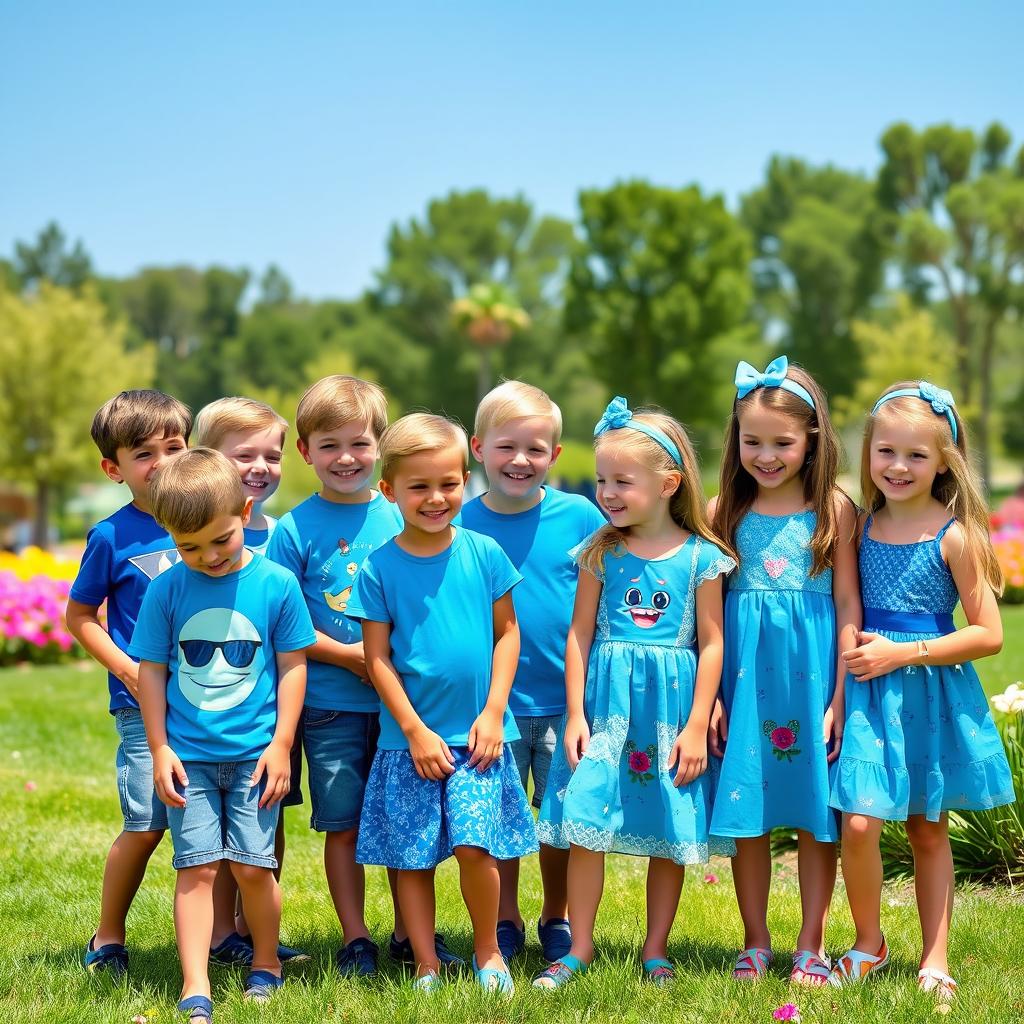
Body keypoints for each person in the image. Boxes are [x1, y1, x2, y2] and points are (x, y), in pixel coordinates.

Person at [534, 398, 735, 990]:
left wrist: (698, 724)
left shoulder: (701, 557)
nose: (608, 492)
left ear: (669, 483)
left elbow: (712, 644)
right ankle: (581, 946)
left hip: (669, 716)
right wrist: (575, 714)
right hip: (606, 714)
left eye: (623, 481)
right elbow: (579, 633)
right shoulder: (603, 551)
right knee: (587, 821)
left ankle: (655, 948)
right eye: (602, 480)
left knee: (667, 830)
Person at [828, 381, 1015, 1002]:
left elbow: (989, 634)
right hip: (866, 690)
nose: (898, 467)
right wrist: (856, 659)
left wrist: (901, 653)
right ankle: (869, 941)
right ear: (869, 453)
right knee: (858, 824)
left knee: (926, 829)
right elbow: (847, 603)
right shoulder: (860, 526)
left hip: (927, 693)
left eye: (915, 455)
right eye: (886, 452)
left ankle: (934, 958)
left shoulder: (954, 535)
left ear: (944, 460)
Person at [347, 413, 538, 995]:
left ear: (466, 479)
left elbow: (508, 634)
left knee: (477, 848)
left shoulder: (484, 553)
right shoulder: (379, 567)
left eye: (450, 484)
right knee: (411, 859)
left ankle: (488, 954)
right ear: (389, 491)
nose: (436, 498)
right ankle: (427, 962)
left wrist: (493, 711)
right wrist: (413, 730)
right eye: (419, 487)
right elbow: (376, 658)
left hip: (480, 738)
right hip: (410, 744)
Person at [131, 449, 315, 1023]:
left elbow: (292, 666)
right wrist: (160, 747)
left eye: (221, 539)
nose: (208, 557)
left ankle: (266, 962)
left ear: (246, 509)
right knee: (197, 869)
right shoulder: (165, 591)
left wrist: (283, 742)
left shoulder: (278, 584)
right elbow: (152, 672)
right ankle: (195, 983)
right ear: (170, 537)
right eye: (189, 547)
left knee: (255, 868)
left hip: (258, 758)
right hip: (190, 760)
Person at [708, 356, 859, 985]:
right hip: (743, 683)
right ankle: (755, 939)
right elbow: (707, 619)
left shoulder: (834, 511)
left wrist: (842, 696)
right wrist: (710, 695)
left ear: (812, 440)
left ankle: (811, 943)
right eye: (752, 441)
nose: (765, 455)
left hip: (812, 679)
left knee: (814, 811)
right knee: (748, 806)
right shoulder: (722, 513)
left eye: (782, 443)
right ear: (735, 440)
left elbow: (849, 602)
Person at [266, 376, 419, 977]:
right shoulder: (293, 531)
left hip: (404, 703)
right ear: (304, 452)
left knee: (407, 814)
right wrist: (354, 659)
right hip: (329, 703)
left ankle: (411, 931)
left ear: (380, 445)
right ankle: (356, 937)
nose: (345, 458)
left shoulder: (403, 514)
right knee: (345, 822)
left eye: (359, 443)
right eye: (329, 445)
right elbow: (287, 621)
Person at [460, 380, 605, 964]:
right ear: (478, 448)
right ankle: (505, 915)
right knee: (503, 821)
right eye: (506, 447)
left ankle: (557, 914)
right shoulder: (461, 523)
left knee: (561, 821)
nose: (521, 460)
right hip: (494, 703)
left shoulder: (581, 518)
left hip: (567, 698)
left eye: (536, 449)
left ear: (556, 455)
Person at [65, 389, 191, 978]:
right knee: (145, 825)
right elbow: (80, 617)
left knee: (213, 827)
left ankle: (228, 935)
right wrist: (125, 668)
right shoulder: (112, 537)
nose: (164, 462)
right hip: (144, 708)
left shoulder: (212, 520)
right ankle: (108, 935)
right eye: (145, 453)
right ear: (113, 469)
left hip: (216, 702)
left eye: (175, 445)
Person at [193, 396, 307, 966]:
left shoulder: (280, 535)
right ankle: (218, 932)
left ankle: (252, 925)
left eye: (273, 455)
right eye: (245, 456)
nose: (261, 467)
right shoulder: (197, 540)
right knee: (210, 836)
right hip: (213, 713)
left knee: (267, 818)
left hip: (272, 711)